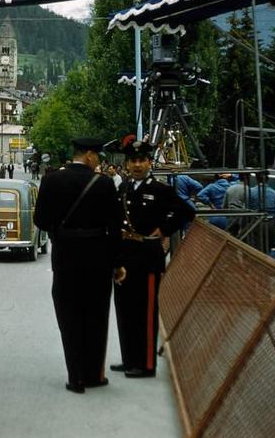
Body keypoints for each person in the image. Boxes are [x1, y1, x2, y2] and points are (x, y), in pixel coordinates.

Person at [33, 137, 124, 394]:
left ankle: (75, 378)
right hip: (98, 257)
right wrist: (118, 263)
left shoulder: (51, 180)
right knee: (96, 316)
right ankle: (94, 375)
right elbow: (115, 228)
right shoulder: (105, 184)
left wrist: (61, 232)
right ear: (90, 156)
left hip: (65, 256)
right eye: (98, 156)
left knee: (69, 315)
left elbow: (40, 219)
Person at [112, 141, 194, 378]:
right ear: (127, 164)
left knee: (145, 312)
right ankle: (129, 359)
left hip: (147, 257)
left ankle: (146, 364)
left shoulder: (160, 190)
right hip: (125, 256)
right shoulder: (124, 188)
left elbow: (187, 212)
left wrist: (165, 229)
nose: (137, 165)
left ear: (149, 163)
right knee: (125, 310)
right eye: (133, 161)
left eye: (142, 160)